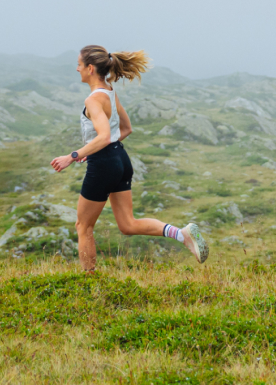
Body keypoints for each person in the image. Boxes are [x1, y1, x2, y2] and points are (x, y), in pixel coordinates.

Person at [50, 45, 208, 271]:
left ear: (90, 68)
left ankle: (88, 283)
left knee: (83, 227)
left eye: (79, 64)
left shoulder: (93, 101)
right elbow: (126, 129)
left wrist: (73, 156)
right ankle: (182, 235)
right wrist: (93, 150)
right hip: (120, 160)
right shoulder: (110, 92)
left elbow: (103, 136)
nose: (77, 69)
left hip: (104, 164)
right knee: (127, 224)